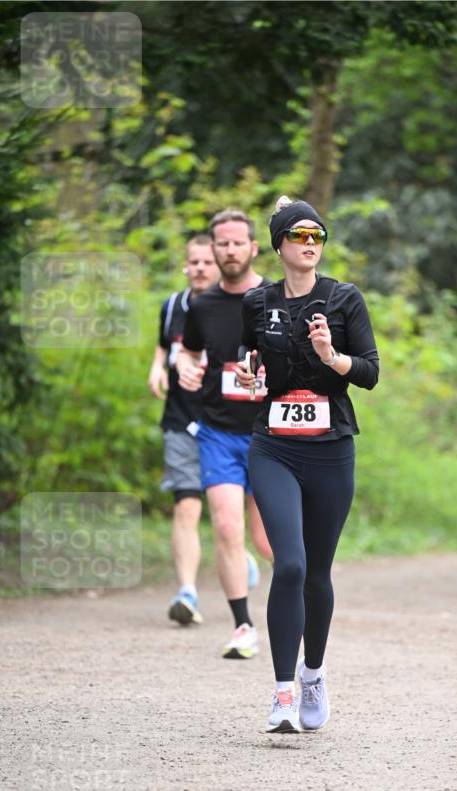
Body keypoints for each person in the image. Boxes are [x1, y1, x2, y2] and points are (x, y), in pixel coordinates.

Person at [236, 196, 379, 732]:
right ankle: (281, 697)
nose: (310, 245)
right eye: (299, 236)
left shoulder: (344, 300)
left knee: (316, 572)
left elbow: (367, 371)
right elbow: (249, 358)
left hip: (331, 447)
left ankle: (312, 674)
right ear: (279, 245)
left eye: (317, 237)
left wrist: (330, 357)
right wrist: (251, 379)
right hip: (274, 444)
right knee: (289, 565)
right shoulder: (257, 302)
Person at [177, 209, 272, 659]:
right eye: (222, 243)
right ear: (212, 250)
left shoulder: (277, 298)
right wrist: (185, 370)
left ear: (253, 247)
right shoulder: (202, 305)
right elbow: (188, 352)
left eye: (238, 242)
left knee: (267, 541)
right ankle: (243, 625)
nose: (230, 250)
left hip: (270, 433)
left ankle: (307, 603)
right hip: (218, 432)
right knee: (227, 526)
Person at [148, 234, 219, 626]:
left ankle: (238, 560)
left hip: (226, 422)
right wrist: (157, 367)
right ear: (185, 266)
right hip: (180, 419)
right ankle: (187, 593)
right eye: (194, 262)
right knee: (187, 504)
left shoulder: (235, 307)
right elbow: (165, 345)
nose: (200, 269)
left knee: (232, 515)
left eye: (207, 262)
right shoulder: (173, 305)